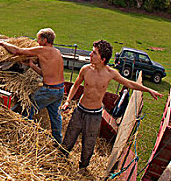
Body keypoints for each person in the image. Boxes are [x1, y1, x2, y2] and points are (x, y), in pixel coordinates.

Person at [60, 39, 162, 170]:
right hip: (80, 111)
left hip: (95, 115)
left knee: (89, 144)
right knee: (69, 137)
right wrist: (68, 101)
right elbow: (76, 85)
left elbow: (129, 83)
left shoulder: (110, 73)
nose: (90, 55)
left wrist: (148, 89)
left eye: (94, 53)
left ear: (102, 59)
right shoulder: (85, 69)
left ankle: (83, 167)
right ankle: (61, 159)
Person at [0, 28, 65, 143]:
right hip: (59, 90)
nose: (37, 41)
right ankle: (58, 141)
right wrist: (33, 66)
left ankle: (23, 137)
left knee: (28, 109)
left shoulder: (42, 50)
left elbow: (17, 51)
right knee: (55, 116)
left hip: (49, 90)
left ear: (44, 40)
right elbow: (46, 73)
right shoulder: (57, 52)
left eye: (39, 39)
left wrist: (3, 43)